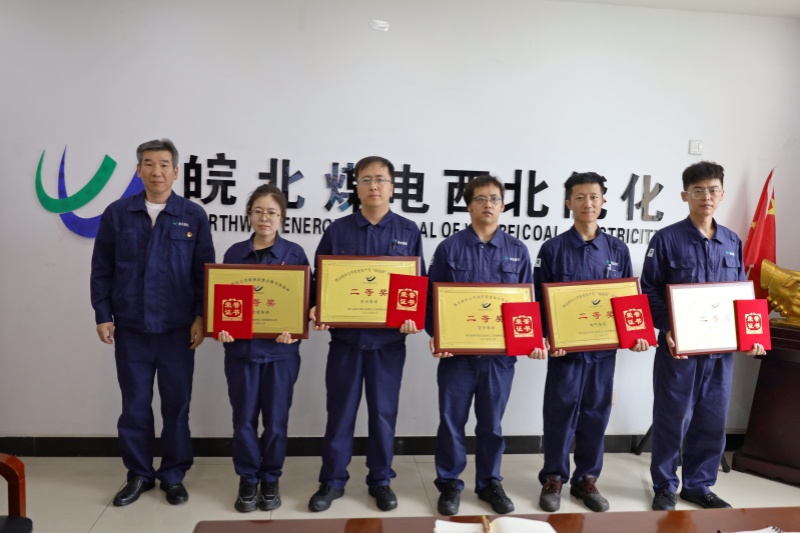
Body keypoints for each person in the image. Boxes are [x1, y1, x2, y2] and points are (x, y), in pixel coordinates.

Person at [90, 139, 215, 506]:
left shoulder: (192, 215)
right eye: (148, 163)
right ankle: (139, 474)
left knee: (176, 407)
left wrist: (201, 316)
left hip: (178, 330)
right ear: (138, 170)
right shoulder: (118, 213)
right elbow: (102, 268)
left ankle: (173, 475)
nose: (156, 171)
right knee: (134, 406)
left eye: (163, 164)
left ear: (175, 171)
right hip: (132, 329)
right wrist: (102, 314)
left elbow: (204, 272)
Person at [641, 161, 766, 511]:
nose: (706, 196)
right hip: (678, 350)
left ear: (722, 194)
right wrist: (666, 328)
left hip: (719, 353)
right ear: (685, 196)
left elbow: (740, 295)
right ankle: (665, 485)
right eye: (698, 190)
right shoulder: (667, 239)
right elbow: (649, 289)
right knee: (672, 418)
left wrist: (749, 336)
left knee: (712, 420)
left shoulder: (731, 241)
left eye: (712, 190)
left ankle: (698, 485)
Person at [307, 156, 424, 512]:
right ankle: (332, 481)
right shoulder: (338, 231)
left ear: (392, 187)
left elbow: (416, 285)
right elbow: (320, 281)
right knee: (340, 413)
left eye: (381, 180)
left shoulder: (408, 231)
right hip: (346, 342)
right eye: (366, 180)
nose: (374, 186)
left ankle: (381, 481)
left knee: (383, 415)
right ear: (356, 187)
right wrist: (317, 308)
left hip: (388, 344)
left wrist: (412, 316)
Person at [532, 172, 649, 513]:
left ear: (603, 201)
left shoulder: (617, 249)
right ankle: (554, 477)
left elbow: (629, 300)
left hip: (602, 353)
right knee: (559, 413)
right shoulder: (552, 249)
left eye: (594, 196)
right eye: (580, 197)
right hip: (565, 353)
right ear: (568, 203)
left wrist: (637, 334)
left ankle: (586, 479)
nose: (588, 203)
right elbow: (538, 300)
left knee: (596, 414)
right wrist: (547, 336)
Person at [427, 174, 541, 517]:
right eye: (480, 199)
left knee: (491, 425)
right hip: (457, 358)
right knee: (451, 422)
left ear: (502, 206)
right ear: (468, 206)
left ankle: (490, 482)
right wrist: (437, 335)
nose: (488, 204)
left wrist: (531, 340)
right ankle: (449, 483)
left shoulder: (517, 251)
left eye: (494, 199)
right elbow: (432, 301)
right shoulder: (449, 249)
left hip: (499, 360)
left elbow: (527, 305)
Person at [215, 184, 309, 512]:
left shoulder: (294, 254)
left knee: (276, 421)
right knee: (243, 420)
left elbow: (305, 303)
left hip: (281, 354)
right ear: (249, 215)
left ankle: (270, 478)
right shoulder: (234, 254)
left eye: (271, 212)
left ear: (282, 217)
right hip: (240, 352)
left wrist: (294, 330)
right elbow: (223, 303)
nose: (264, 218)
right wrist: (221, 328)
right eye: (258, 211)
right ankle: (247, 478)